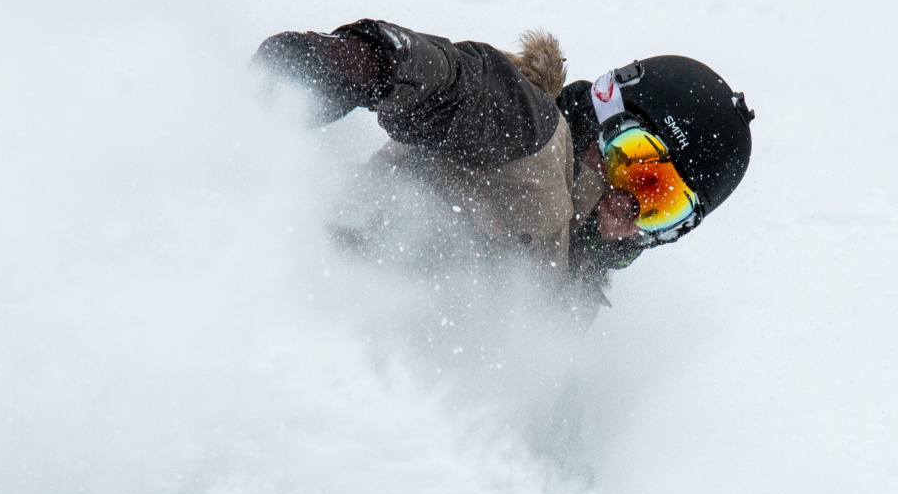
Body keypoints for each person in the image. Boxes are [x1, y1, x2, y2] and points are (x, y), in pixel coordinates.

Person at [253, 19, 753, 321]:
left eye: (663, 205)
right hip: (309, 298)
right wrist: (358, 65)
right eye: (636, 165)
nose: (628, 209)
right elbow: (458, 83)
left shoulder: (573, 289)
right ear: (604, 113)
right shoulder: (530, 134)